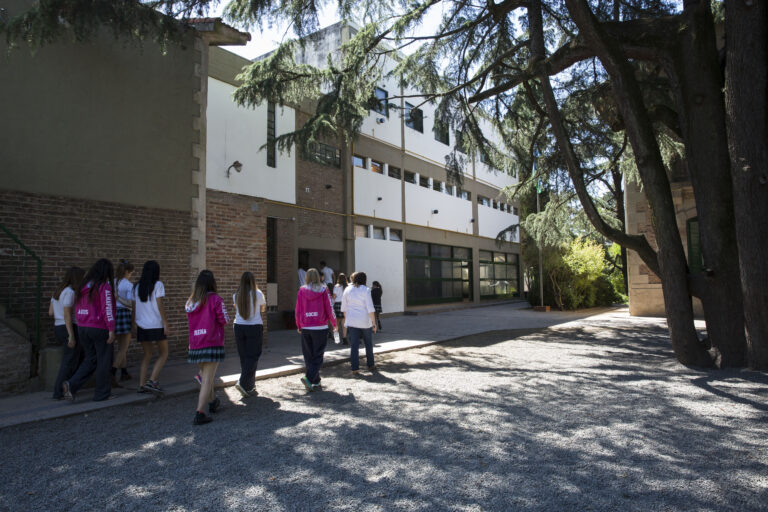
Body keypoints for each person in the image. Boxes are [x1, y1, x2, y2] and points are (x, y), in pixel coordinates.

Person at [62, 258, 116, 402]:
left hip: (82, 327)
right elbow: (107, 308)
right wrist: (111, 328)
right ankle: (102, 393)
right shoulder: (104, 286)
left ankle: (71, 384)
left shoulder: (83, 286)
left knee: (91, 359)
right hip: (99, 327)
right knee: (104, 360)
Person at [186, 269, 228, 425]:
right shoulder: (216, 299)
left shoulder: (191, 301)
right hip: (211, 341)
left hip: (196, 343)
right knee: (207, 378)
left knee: (204, 375)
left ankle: (212, 402)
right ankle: (200, 412)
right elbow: (224, 320)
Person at [295, 268, 337, 391]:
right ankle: (309, 378)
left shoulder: (301, 290)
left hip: (306, 326)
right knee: (318, 355)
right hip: (320, 326)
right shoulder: (324, 289)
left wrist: (298, 325)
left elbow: (298, 310)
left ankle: (315, 380)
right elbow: (329, 307)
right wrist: (334, 323)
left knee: (308, 355)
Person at [133, 260, 170, 395]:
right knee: (164, 353)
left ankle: (141, 385)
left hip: (142, 324)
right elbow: (160, 305)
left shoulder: (136, 286)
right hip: (156, 324)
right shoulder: (158, 284)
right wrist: (165, 323)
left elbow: (134, 307)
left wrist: (134, 324)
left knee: (147, 354)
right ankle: (152, 380)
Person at [50, 266, 85, 399]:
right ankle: (60, 391)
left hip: (58, 326)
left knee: (71, 358)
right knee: (69, 360)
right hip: (68, 327)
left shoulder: (58, 292)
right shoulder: (70, 292)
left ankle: (67, 387)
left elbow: (51, 312)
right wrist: (71, 335)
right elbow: (67, 315)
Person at [232, 271, 266, 399]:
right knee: (253, 355)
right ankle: (243, 382)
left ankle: (249, 384)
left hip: (238, 326)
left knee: (244, 356)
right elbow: (263, 308)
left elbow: (236, 308)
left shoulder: (236, 295)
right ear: (253, 281)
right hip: (254, 326)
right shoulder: (258, 294)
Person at [341, 271, 377, 374]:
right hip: (364, 321)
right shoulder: (366, 290)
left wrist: (347, 319)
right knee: (368, 344)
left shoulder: (347, 289)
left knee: (354, 346)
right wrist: (374, 323)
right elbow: (370, 308)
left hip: (352, 321)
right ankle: (371, 364)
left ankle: (355, 368)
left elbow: (344, 308)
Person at [111, 260, 135, 384]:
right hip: (124, 314)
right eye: (131, 273)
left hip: (113, 314)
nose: (131, 275)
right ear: (126, 272)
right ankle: (113, 372)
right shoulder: (128, 285)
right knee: (124, 347)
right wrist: (119, 298)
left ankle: (124, 372)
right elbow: (131, 303)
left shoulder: (112, 282)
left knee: (120, 346)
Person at [332, 273, 349, 344]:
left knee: (336, 323)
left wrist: (332, 304)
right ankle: (344, 338)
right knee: (344, 323)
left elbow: (334, 296)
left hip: (337, 304)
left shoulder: (336, 286)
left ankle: (336, 339)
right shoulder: (347, 286)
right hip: (345, 305)